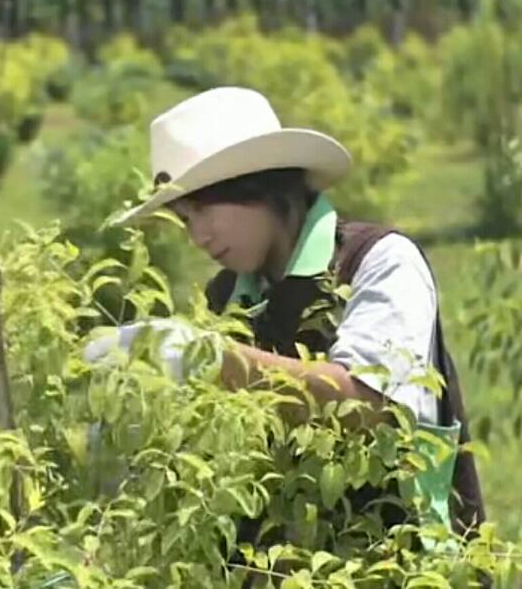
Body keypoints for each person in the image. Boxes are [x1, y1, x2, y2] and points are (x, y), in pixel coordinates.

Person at [103, 87, 484, 542]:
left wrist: (208, 357)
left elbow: (370, 406)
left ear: (258, 184)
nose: (198, 236)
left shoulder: (379, 261)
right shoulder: (226, 299)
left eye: (204, 210)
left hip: (397, 564)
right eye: (185, 220)